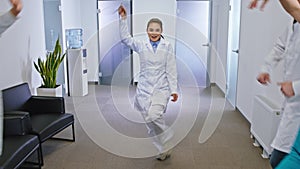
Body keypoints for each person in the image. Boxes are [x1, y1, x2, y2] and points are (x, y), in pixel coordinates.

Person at [118, 5, 178, 161]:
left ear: (161, 31)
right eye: (151, 29)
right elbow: (125, 39)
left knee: (154, 115)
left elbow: (171, 69)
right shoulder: (141, 45)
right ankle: (163, 150)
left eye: (157, 30)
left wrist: (174, 90)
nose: (154, 32)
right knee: (150, 125)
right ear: (147, 31)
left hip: (161, 88)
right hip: (144, 89)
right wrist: (123, 19)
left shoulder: (168, 47)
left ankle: (167, 136)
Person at [253, 1, 300, 168]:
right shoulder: (292, 24)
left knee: (277, 159)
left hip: (296, 105)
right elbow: (280, 47)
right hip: (292, 107)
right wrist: (266, 68)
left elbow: (292, 7)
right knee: (278, 158)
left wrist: (295, 87)